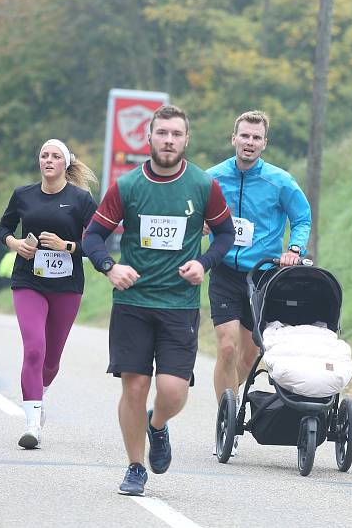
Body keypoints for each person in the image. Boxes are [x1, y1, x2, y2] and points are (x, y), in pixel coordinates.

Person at [82, 105, 234, 496]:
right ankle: (135, 467)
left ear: (186, 140)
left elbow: (225, 235)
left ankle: (158, 425)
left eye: (176, 134)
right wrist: (110, 268)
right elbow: (92, 236)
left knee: (172, 391)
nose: (169, 140)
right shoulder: (128, 186)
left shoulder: (202, 185)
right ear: (148, 138)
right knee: (133, 386)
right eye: (162, 133)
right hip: (133, 302)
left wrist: (203, 263)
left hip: (179, 305)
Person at [206, 110, 311, 454]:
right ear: (233, 138)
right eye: (244, 136)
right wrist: (201, 227)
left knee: (249, 357)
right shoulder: (212, 178)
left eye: (256, 138)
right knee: (226, 347)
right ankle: (228, 422)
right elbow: (191, 213)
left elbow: (302, 218)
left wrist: (294, 249)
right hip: (223, 272)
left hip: (262, 276)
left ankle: (232, 408)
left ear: (264, 143)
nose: (249, 143)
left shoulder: (279, 181)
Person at [0, 139, 98, 449]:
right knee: (34, 350)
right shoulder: (23, 195)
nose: (48, 160)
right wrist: (15, 245)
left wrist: (66, 246)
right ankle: (31, 424)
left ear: (66, 164)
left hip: (67, 286)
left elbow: (96, 244)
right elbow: (3, 228)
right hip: (29, 280)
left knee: (51, 361)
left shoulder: (81, 200)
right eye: (44, 155)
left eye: (55, 156)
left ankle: (41, 391)